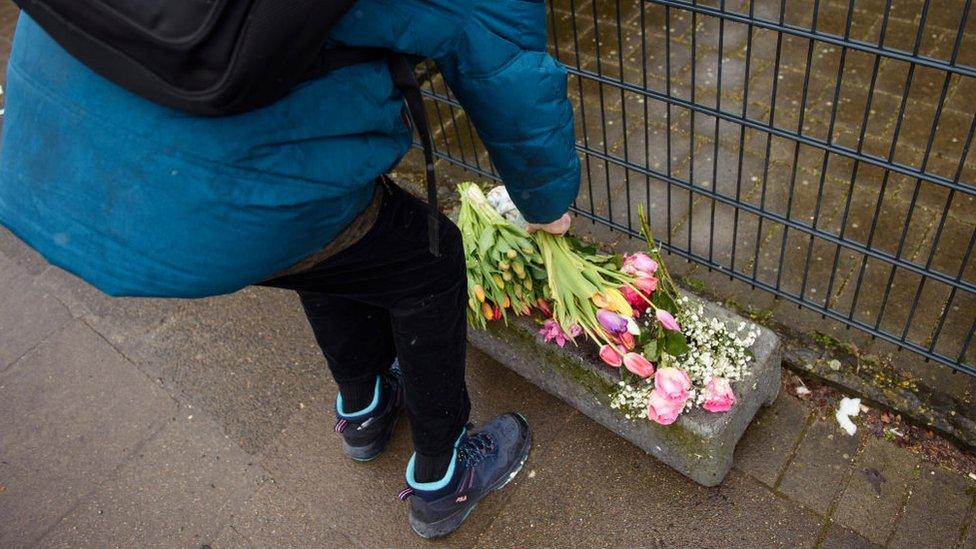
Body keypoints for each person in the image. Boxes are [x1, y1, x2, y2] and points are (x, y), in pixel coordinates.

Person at [0, 0, 579, 538]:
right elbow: (504, 67)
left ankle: (365, 409)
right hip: (207, 194)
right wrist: (547, 200)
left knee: (330, 256)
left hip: (59, 160)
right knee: (428, 263)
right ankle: (443, 474)